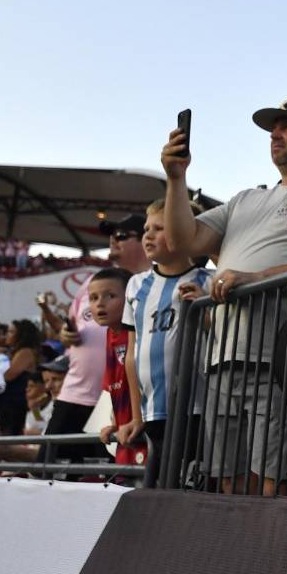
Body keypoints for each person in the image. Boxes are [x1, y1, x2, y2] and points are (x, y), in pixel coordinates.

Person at [161, 96, 287, 496]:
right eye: (273, 128)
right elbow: (182, 241)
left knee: (275, 483)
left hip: (278, 361)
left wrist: (256, 277)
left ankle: (276, 542)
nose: (275, 134)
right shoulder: (245, 199)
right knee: (228, 482)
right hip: (221, 361)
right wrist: (176, 179)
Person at [45, 214, 150, 464]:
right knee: (51, 466)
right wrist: (64, 335)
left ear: (145, 239)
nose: (113, 240)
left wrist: (135, 417)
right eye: (111, 236)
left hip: (133, 408)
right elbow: (69, 328)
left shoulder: (155, 286)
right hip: (83, 395)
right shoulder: (93, 283)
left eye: (121, 236)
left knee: (115, 469)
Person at [122, 201, 212, 486]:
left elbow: (222, 336)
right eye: (146, 228)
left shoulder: (208, 281)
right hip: (153, 409)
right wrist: (137, 416)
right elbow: (131, 354)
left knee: (188, 487)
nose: (148, 235)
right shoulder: (136, 285)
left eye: (159, 228)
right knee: (158, 485)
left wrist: (206, 310)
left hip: (197, 408)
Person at [87, 267, 149, 470]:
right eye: (93, 298)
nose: (100, 304)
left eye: (110, 296)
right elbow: (116, 387)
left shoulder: (138, 331)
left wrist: (136, 419)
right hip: (125, 431)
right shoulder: (109, 334)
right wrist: (115, 423)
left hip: (145, 429)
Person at [0, 320, 41, 435]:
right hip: (10, 404)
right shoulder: (15, 352)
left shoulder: (25, 352)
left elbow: (8, 376)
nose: (7, 335)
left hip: (16, 404)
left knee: (11, 436)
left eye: (11, 332)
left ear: (21, 335)